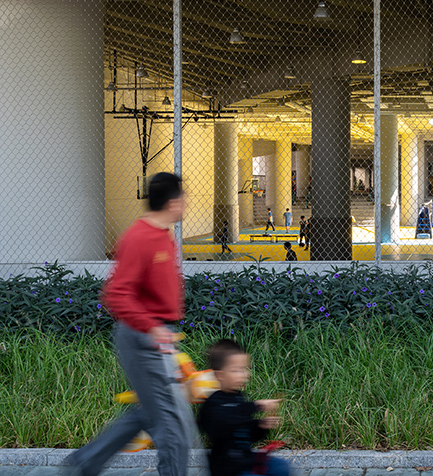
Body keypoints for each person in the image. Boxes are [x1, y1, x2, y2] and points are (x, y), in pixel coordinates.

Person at [63, 172, 194, 476]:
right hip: (143, 338)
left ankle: (86, 462)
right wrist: (153, 327)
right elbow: (116, 294)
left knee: (150, 413)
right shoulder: (140, 238)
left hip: (158, 337)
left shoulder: (163, 234)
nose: (186, 202)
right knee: (174, 428)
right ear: (173, 202)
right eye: (183, 197)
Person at [198, 339, 289, 476]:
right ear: (219, 375)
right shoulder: (213, 403)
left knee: (281, 466)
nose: (244, 375)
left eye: (244, 369)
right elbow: (226, 422)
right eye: (236, 370)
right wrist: (256, 406)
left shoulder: (239, 397)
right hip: (227, 468)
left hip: (246, 460)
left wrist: (260, 426)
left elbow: (246, 434)